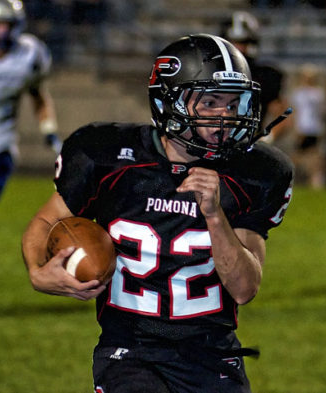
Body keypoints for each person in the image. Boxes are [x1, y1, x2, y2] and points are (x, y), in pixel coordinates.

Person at [22, 34, 294, 393]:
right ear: (169, 101)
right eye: (210, 102)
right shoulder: (107, 157)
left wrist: (214, 215)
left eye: (233, 103)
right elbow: (45, 222)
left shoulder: (254, 172)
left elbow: (244, 288)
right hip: (130, 350)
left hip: (212, 354)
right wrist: (38, 274)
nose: (224, 116)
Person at [0, 0, 59, 261]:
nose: (0, 31)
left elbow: (38, 95)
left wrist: (49, 130)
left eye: (6, 25)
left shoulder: (31, 55)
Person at [222, 11, 290, 150]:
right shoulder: (210, 72)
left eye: (241, 42)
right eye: (231, 42)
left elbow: (284, 115)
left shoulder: (263, 76)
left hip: (246, 145)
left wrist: (268, 137)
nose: (236, 48)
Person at [289, 64, 326, 188]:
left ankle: (316, 180)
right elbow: (295, 112)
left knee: (314, 157)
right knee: (297, 155)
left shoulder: (318, 93)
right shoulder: (298, 93)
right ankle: (290, 179)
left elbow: (320, 113)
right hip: (302, 128)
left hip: (313, 129)